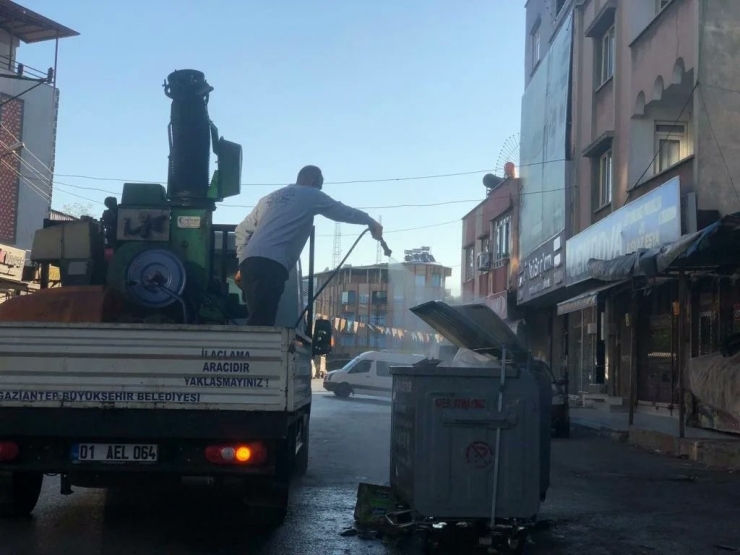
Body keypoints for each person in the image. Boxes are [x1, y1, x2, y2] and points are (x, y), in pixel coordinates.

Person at [234, 165, 383, 326]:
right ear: (314, 181)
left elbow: (241, 229)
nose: (319, 189)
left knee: (257, 316)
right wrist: (369, 221)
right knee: (262, 322)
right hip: (272, 264)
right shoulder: (310, 195)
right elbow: (342, 211)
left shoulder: (268, 199)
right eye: (319, 186)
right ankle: (260, 350)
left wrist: (242, 260)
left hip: (249, 262)